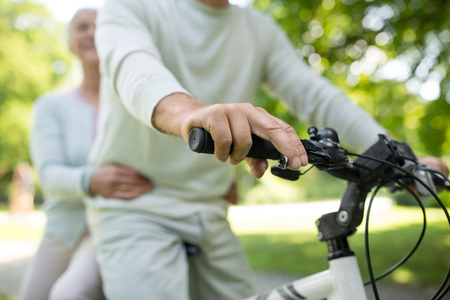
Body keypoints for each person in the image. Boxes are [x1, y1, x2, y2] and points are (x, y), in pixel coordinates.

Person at [89, 0, 449, 299]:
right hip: (136, 208)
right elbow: (135, 71)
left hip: (208, 209)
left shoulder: (257, 30)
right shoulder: (130, 6)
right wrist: (193, 114)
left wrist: (398, 154)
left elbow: (314, 94)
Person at [20, 9, 154, 300]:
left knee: (69, 294)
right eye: (81, 27)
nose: (92, 33)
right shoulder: (50, 107)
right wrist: (91, 180)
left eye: (100, 25)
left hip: (116, 221)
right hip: (63, 226)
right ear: (69, 42)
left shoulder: (138, 105)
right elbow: (49, 174)